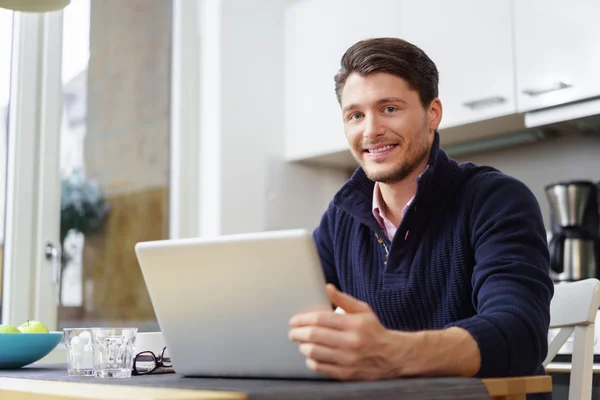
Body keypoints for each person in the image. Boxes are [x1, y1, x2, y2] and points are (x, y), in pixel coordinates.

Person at [287, 37, 554, 392]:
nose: (370, 130)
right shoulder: (341, 218)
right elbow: (285, 320)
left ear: (433, 113)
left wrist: (391, 352)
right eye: (355, 115)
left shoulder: (495, 199)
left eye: (390, 108)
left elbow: (520, 333)